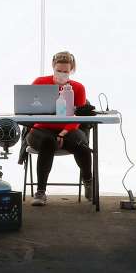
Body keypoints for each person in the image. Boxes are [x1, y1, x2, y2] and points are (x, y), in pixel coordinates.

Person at [25, 50, 93, 206]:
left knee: (82, 146)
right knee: (48, 142)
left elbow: (79, 117)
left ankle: (88, 181)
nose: (62, 74)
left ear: (71, 71)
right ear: (53, 67)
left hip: (68, 129)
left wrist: (63, 132)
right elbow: (29, 110)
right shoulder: (40, 83)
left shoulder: (78, 88)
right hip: (41, 129)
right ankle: (40, 192)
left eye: (65, 72)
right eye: (58, 70)